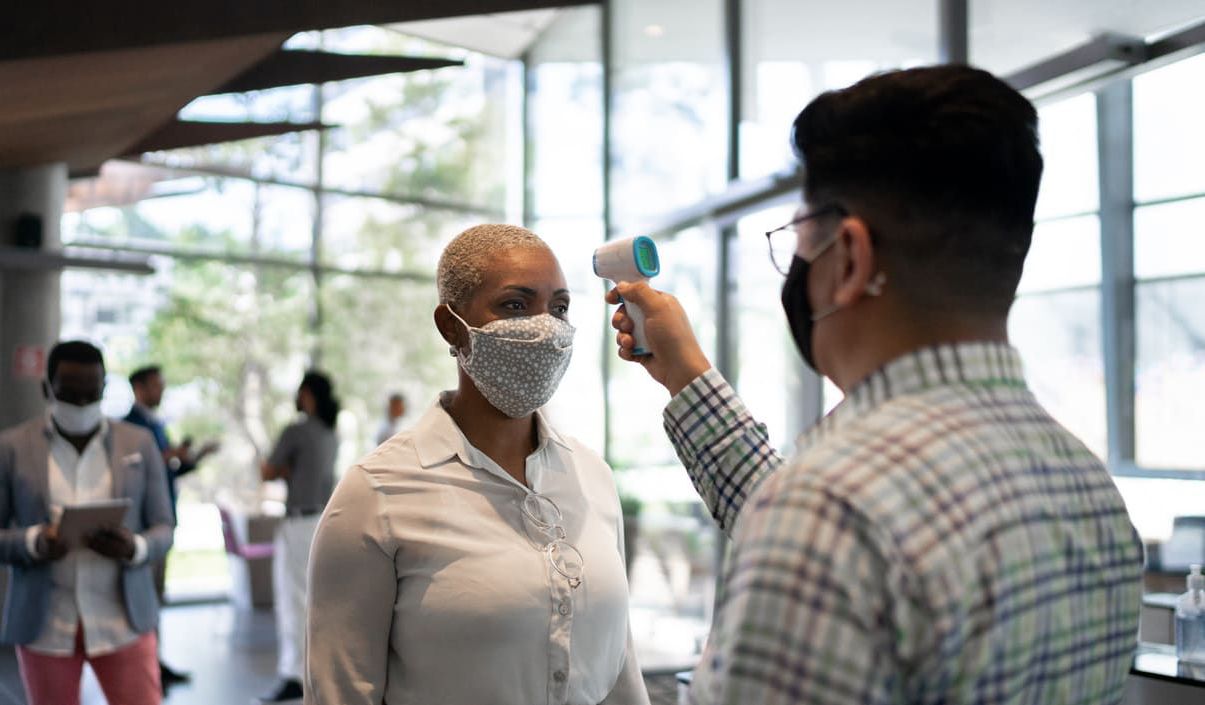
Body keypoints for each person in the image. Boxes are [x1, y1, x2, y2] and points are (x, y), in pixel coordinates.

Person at [604, 66, 1144, 705]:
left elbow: (824, 528)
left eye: (798, 240)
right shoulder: (1089, 491)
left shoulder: (828, 510)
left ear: (851, 257)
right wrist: (686, 375)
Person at [306, 224, 650, 705]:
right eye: (515, 304)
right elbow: (341, 691)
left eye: (560, 308)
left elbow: (620, 667)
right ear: (451, 325)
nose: (546, 326)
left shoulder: (591, 475)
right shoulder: (378, 493)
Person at [0, 341, 174, 705]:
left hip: (124, 620)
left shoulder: (138, 443)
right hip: (44, 626)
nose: (81, 404)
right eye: (70, 394)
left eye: (91, 394)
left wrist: (135, 547)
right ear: (48, 389)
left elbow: (164, 527)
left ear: (105, 389)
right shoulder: (11, 446)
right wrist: (33, 542)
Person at [123, 364, 218, 691]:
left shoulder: (156, 425)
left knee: (157, 596)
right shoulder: (130, 427)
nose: (161, 391)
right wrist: (169, 456)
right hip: (142, 528)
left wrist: (192, 458)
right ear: (138, 387)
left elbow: (166, 473)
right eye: (155, 386)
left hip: (162, 524)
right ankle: (144, 668)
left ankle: (154, 663)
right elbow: (138, 470)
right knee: (144, 598)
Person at [255, 371, 340, 704]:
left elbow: (267, 471)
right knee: (315, 601)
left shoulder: (297, 430)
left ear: (307, 394)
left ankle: (294, 677)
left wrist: (280, 467)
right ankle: (317, 674)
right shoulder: (330, 432)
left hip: (298, 523)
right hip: (323, 520)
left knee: (293, 602)